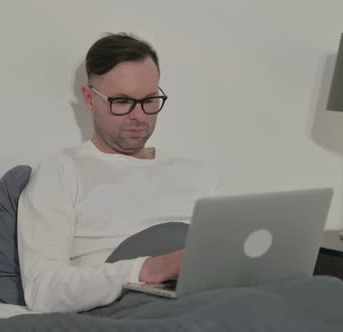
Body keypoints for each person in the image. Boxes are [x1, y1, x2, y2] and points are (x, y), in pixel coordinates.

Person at [17, 33, 217, 313]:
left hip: (210, 297)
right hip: (133, 308)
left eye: (149, 101)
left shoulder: (194, 174)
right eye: (122, 102)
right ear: (89, 99)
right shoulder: (62, 170)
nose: (139, 116)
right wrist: (147, 269)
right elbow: (43, 289)